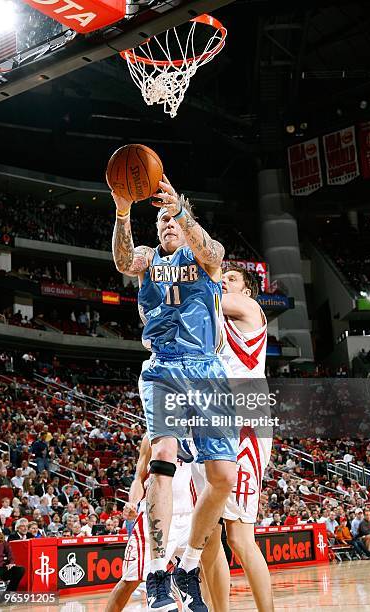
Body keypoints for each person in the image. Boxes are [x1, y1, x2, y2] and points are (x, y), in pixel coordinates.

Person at [112, 178, 237, 611]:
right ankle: (158, 571)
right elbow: (124, 259)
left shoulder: (205, 257)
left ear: (186, 225)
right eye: (161, 218)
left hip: (206, 369)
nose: (166, 223)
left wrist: (180, 209)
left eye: (173, 218)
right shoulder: (149, 260)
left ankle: (188, 564)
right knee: (163, 452)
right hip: (163, 366)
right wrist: (122, 210)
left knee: (223, 478)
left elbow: (214, 252)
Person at [195, 265, 273, 612]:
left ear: (247, 290)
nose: (224, 281)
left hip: (246, 425)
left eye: (232, 279)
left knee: (240, 537)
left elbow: (204, 294)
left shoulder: (248, 309)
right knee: (209, 536)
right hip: (216, 418)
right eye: (222, 277)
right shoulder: (217, 323)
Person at [105, 435, 194, 612]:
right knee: (131, 579)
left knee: (196, 579)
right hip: (154, 517)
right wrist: (133, 502)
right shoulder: (152, 436)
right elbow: (139, 478)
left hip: (188, 516)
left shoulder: (198, 431)